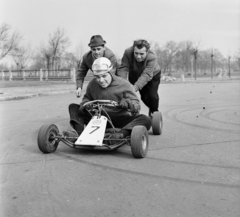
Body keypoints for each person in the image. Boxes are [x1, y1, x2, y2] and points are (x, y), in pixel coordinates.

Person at [65, 57, 151, 144]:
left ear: (111, 72)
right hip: (99, 119)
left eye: (104, 76)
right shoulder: (92, 84)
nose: (101, 80)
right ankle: (78, 135)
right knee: (74, 107)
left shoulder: (124, 84)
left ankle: (121, 134)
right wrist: (85, 104)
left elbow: (137, 105)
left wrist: (129, 104)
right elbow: (87, 98)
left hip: (120, 119)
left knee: (145, 119)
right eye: (97, 77)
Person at [116, 39, 161, 118]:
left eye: (141, 54)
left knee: (152, 95)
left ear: (147, 52)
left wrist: (135, 87)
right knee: (144, 97)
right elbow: (123, 69)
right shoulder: (127, 52)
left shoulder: (152, 57)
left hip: (153, 75)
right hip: (136, 74)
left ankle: (154, 112)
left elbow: (146, 74)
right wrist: (122, 85)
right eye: (136, 53)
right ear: (133, 49)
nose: (138, 56)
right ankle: (151, 107)